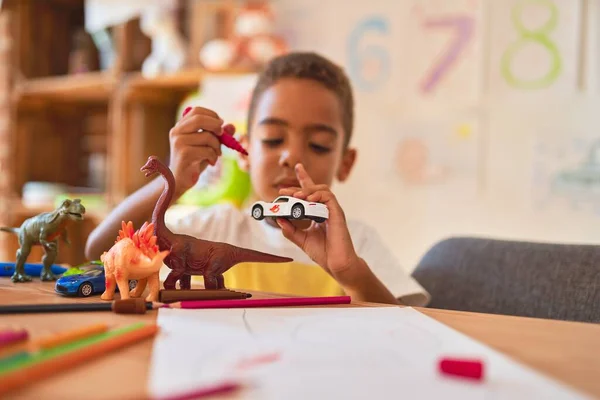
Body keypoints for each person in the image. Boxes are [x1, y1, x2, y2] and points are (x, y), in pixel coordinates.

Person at [85, 52, 430, 306]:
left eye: (318, 145)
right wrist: (173, 181)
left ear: (345, 163)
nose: (290, 156)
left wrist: (351, 273)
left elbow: (410, 328)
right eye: (273, 140)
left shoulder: (360, 245)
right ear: (246, 152)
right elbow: (100, 253)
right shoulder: (216, 226)